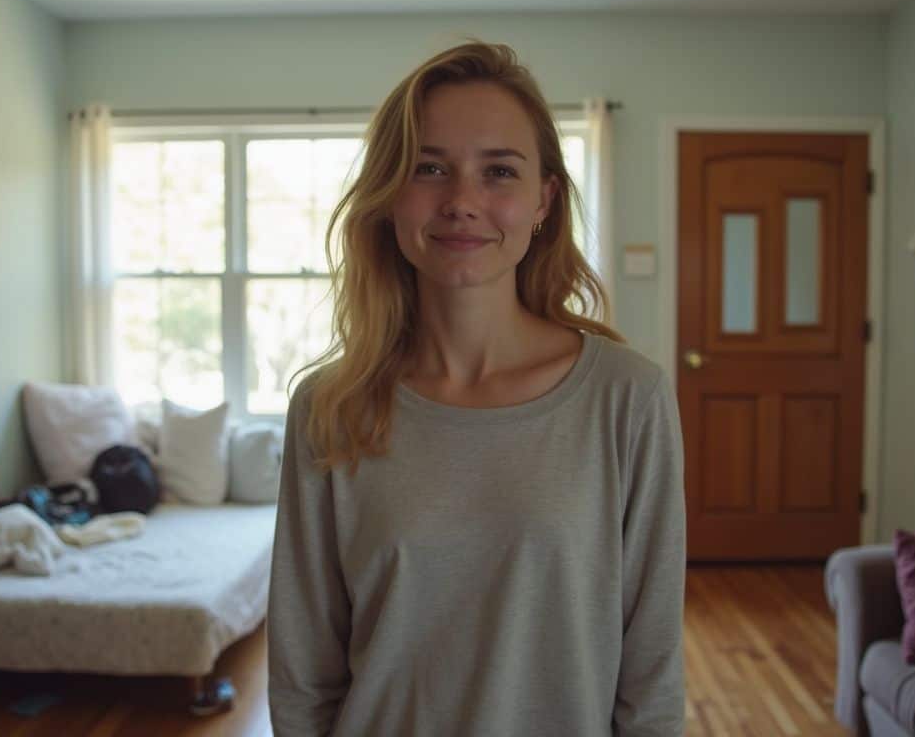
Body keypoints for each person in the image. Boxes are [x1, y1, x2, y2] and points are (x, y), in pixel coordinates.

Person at [267, 40, 686, 737]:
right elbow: (303, 676)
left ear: (544, 200)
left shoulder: (627, 399)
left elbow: (652, 674)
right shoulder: (329, 407)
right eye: (430, 168)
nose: (462, 201)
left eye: (499, 172)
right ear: (390, 194)